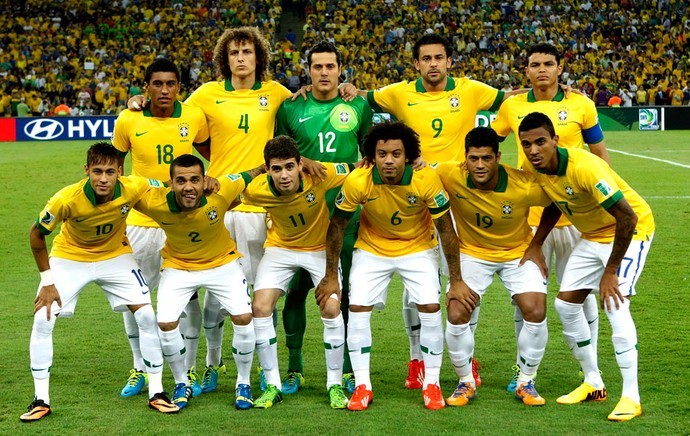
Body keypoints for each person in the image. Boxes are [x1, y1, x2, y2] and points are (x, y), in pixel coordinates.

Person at [341, 33, 520, 388]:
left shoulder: (471, 89)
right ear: (417, 64)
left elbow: (513, 99)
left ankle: (465, 355)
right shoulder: (399, 92)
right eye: (426, 58)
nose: (433, 63)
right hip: (414, 194)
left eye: (440, 57)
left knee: (462, 276)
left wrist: (561, 89)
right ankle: (415, 359)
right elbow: (361, 95)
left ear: (449, 61)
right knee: (417, 284)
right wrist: (346, 85)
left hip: (459, 196)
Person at [129, 26, 292, 394]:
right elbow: (187, 127)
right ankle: (212, 363)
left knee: (258, 292)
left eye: (247, 52)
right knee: (214, 292)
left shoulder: (277, 92)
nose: (240, 58)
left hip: (258, 206)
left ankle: (264, 370)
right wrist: (140, 100)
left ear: (258, 57)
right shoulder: (206, 94)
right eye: (234, 52)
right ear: (224, 59)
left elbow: (303, 105)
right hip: (216, 205)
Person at [21, 143, 179, 422]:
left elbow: (166, 184)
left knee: (145, 314)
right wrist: (47, 281)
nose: (103, 179)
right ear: (86, 171)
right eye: (97, 172)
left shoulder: (134, 186)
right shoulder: (65, 199)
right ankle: (40, 399)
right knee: (43, 319)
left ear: (120, 171)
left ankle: (157, 391)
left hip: (116, 255)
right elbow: (36, 234)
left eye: (109, 171)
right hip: (70, 258)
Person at [316, 121, 464, 411]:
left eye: (396, 154)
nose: (389, 160)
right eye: (382, 154)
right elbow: (336, 226)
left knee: (430, 308)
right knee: (357, 308)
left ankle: (431, 384)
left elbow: (446, 230)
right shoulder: (359, 180)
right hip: (371, 249)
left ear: (407, 156)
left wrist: (456, 280)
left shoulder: (426, 179)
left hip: (417, 248)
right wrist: (331, 276)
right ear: (372, 156)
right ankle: (362, 386)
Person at [518, 112, 655, 422]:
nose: (534, 150)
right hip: (594, 234)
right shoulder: (535, 167)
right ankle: (593, 382)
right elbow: (554, 201)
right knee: (565, 306)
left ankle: (631, 397)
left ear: (555, 140)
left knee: (615, 303)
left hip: (631, 231)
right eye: (526, 144)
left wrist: (610, 272)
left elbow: (628, 217)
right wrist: (536, 242)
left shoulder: (586, 167)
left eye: (541, 142)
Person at [491, 42, 611, 392]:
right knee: (526, 295)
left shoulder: (581, 104)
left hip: (577, 216)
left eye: (548, 63)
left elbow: (599, 154)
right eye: (534, 64)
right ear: (525, 70)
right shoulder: (511, 106)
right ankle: (523, 370)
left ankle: (590, 368)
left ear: (560, 68)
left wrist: (602, 201)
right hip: (530, 216)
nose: (541, 69)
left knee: (583, 294)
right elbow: (489, 143)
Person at [273, 40, 373, 395]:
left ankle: (347, 369)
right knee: (297, 292)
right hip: (300, 219)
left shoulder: (358, 104)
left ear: (340, 70)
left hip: (345, 216)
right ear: (308, 70)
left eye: (330, 66)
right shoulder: (290, 108)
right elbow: (277, 156)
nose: (324, 72)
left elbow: (370, 156)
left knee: (345, 293)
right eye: (317, 67)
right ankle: (295, 368)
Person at [134, 154, 265, 410]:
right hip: (179, 267)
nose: (189, 187)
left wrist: (263, 167)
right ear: (170, 184)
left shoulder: (223, 188)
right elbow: (125, 186)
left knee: (243, 318)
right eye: (180, 181)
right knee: (166, 323)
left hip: (222, 264)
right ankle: (182, 382)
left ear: (204, 180)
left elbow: (253, 172)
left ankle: (243, 382)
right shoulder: (155, 202)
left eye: (195, 179)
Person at [112, 58, 210, 399]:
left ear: (179, 87)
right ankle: (139, 366)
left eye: (170, 84)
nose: (164, 90)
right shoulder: (129, 119)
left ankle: (192, 368)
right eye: (157, 84)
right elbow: (115, 168)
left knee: (190, 295)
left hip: (182, 221)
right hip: (140, 222)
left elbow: (212, 154)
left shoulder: (194, 116)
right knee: (134, 297)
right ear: (146, 87)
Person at [433, 127, 551, 407]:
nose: (480, 165)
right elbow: (419, 170)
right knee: (457, 309)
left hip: (517, 254)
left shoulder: (522, 184)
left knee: (535, 308)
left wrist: (537, 243)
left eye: (487, 158)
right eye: (473, 159)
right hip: (472, 254)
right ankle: (465, 382)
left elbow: (556, 200)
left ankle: (526, 380)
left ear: (498, 156)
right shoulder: (450, 174)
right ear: (465, 158)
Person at [241, 136, 353, 408]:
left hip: (319, 248)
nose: (284, 175)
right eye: (276, 169)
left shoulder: (319, 175)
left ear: (300, 164)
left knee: (331, 307)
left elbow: (356, 167)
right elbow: (228, 190)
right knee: (260, 307)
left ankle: (334, 384)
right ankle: (273, 385)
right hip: (281, 248)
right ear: (267, 170)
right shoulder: (256, 189)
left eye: (290, 167)